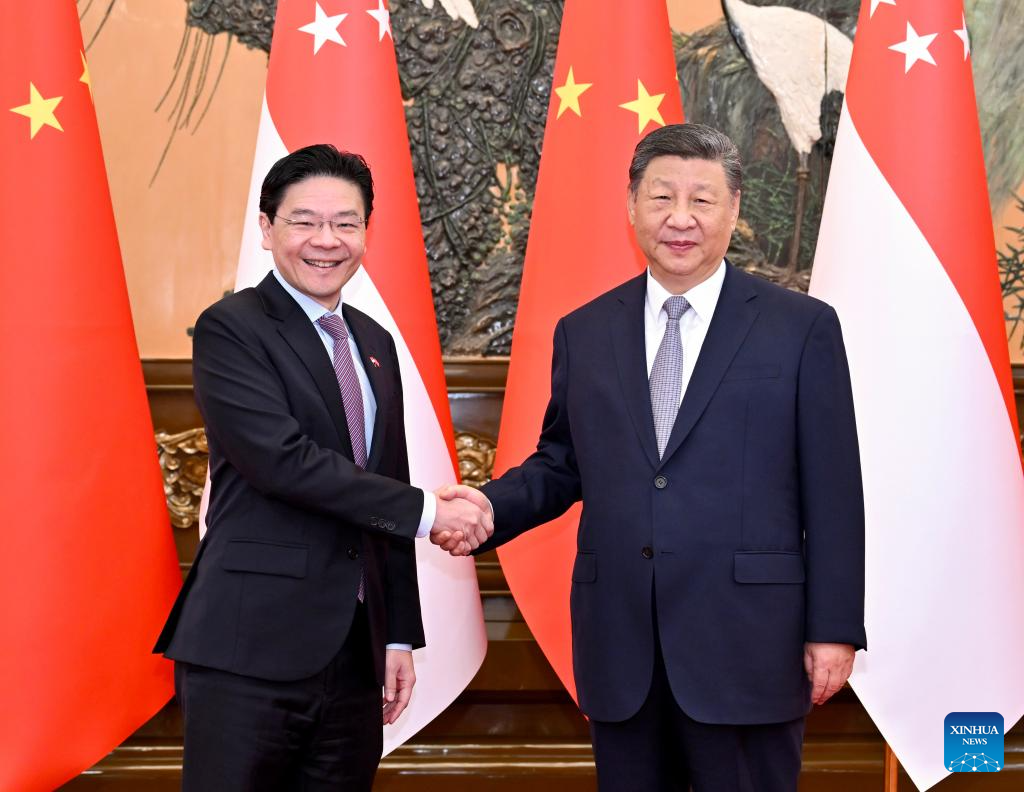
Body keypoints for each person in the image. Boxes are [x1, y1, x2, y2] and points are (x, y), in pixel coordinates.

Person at [442, 123, 866, 791]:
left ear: (733, 209)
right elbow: (563, 462)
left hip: (749, 644)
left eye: (702, 200)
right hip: (623, 648)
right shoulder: (585, 331)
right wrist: (487, 507)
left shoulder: (801, 327)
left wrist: (834, 628)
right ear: (632, 205)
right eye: (662, 197)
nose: (680, 218)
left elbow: (834, 490)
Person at [154, 143, 491, 791]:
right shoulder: (231, 328)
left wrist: (397, 636)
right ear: (267, 228)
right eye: (305, 221)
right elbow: (281, 462)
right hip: (248, 647)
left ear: (366, 232)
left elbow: (386, 482)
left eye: (345, 223)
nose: (326, 240)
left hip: (356, 654)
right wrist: (430, 512)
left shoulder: (373, 341)